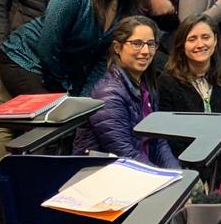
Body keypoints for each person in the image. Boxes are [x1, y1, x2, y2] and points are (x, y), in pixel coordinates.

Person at [0, 0, 143, 170]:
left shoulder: (127, 7)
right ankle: (2, 182)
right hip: (23, 58)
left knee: (70, 117)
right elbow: (48, 44)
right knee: (40, 121)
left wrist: (84, 98)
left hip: (59, 69)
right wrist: (64, 87)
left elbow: (103, 59)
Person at [155, 13, 221, 178]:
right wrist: (197, 164)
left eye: (205, 37)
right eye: (192, 39)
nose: (200, 44)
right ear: (181, 44)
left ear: (215, 40)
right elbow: (170, 133)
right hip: (188, 167)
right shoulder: (167, 81)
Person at [73, 16, 179, 169]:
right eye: (137, 44)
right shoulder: (108, 93)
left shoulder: (147, 86)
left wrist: (177, 173)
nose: (145, 51)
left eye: (151, 44)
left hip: (141, 170)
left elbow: (159, 141)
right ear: (117, 47)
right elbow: (123, 152)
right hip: (106, 176)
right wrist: (161, 178)